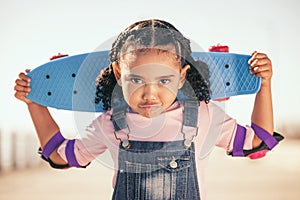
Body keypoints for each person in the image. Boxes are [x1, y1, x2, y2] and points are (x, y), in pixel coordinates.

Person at [14, 19, 283, 200]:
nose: (149, 94)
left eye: (163, 81)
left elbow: (258, 140)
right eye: (136, 79)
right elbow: (61, 156)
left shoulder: (203, 114)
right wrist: (34, 104)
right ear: (119, 75)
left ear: (182, 77)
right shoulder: (110, 123)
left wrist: (265, 86)